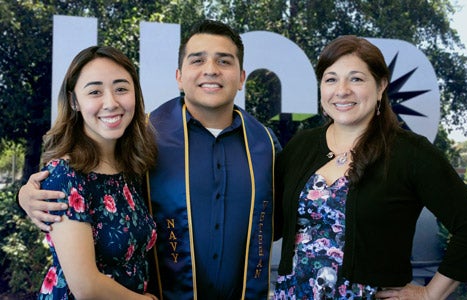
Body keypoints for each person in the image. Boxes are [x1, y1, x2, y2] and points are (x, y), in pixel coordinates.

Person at [19, 20, 278, 299]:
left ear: (241, 78)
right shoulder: (146, 136)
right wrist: (26, 196)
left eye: (224, 61)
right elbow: (78, 177)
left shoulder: (266, 144)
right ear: (179, 76)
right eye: (198, 60)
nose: (211, 70)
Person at [272, 35, 467, 300]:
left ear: (380, 87)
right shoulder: (300, 146)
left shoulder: (410, 152)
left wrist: (429, 294)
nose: (341, 90)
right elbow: (268, 223)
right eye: (331, 79)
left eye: (356, 78)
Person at [33, 46, 159, 299]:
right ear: (74, 101)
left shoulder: (131, 169)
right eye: (95, 92)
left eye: (121, 89)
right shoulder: (65, 175)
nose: (111, 103)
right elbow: (86, 287)